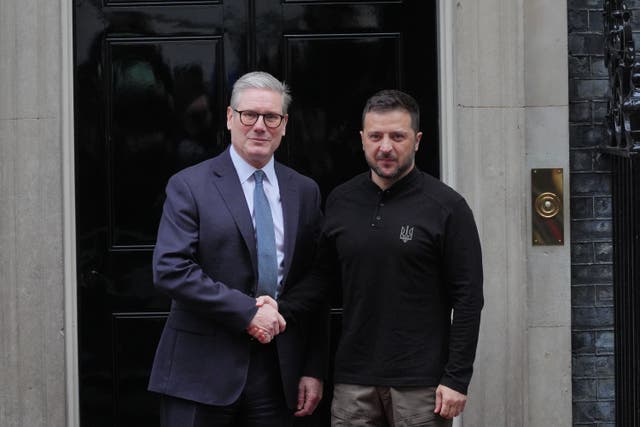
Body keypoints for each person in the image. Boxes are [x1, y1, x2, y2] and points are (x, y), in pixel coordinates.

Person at [278, 89, 484, 426]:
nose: (385, 147)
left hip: (421, 384)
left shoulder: (448, 208)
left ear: (416, 140)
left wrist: (456, 378)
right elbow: (322, 281)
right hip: (353, 381)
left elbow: (468, 299)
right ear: (362, 139)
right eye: (376, 136)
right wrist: (278, 309)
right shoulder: (341, 200)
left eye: (397, 136)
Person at [148, 71, 327, 426]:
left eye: (271, 117)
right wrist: (247, 312)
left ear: (284, 124)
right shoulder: (190, 185)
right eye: (249, 115)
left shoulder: (305, 192)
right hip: (199, 371)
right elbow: (170, 269)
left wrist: (313, 368)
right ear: (231, 118)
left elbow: (316, 282)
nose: (260, 126)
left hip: (277, 373)